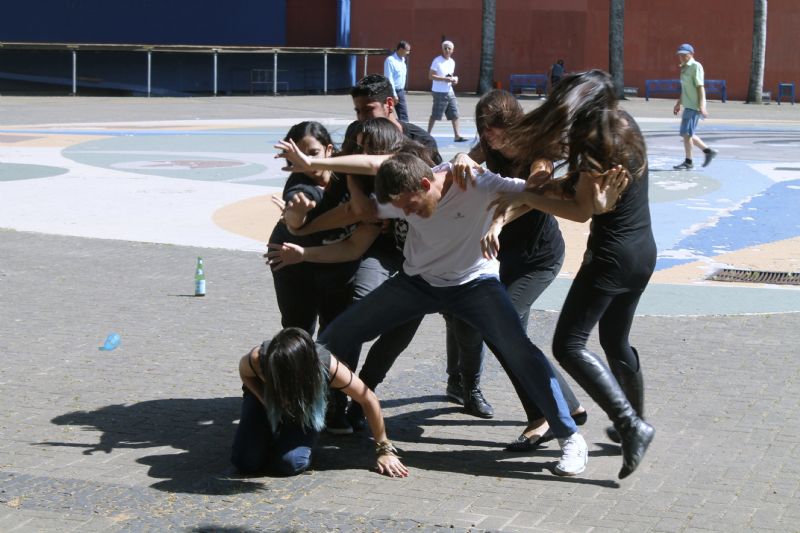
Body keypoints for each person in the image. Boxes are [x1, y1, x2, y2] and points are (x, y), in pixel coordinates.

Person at [274, 145, 627, 477]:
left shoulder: (476, 183)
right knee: (335, 336)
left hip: (475, 285)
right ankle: (295, 420)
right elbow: (366, 181)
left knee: (520, 351)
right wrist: (301, 220)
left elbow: (544, 191)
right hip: (417, 283)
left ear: (426, 184)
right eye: (401, 209)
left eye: (411, 206)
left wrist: (592, 193)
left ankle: (570, 438)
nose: (408, 213)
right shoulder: (401, 192)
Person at [489, 69, 656, 479]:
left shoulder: (594, 140)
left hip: (610, 257)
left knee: (568, 345)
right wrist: (536, 191)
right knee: (615, 340)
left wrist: (530, 197)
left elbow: (581, 211)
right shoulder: (622, 126)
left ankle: (632, 426)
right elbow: (582, 189)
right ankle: (634, 420)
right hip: (642, 251)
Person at [449, 89, 588, 447]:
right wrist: (462, 156)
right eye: (482, 128)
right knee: (510, 339)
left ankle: (548, 414)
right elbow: (464, 160)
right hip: (502, 256)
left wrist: (498, 220)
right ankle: (563, 408)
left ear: (513, 124)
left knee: (503, 329)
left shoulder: (537, 152)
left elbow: (533, 195)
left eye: (493, 128)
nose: (488, 135)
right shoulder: (489, 146)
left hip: (539, 258)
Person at [231, 327, 408, 478]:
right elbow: (245, 374)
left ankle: (288, 438)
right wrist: (265, 400)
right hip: (267, 400)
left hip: (306, 405)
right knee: (244, 462)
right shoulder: (257, 358)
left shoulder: (328, 367)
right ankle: (268, 436)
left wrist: (384, 450)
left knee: (289, 464)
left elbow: (369, 399)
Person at [268, 121, 358, 338]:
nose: (306, 161)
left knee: (336, 330)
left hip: (337, 263)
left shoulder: (349, 173)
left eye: (313, 153)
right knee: (297, 331)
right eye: (298, 156)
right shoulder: (299, 185)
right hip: (292, 262)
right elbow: (295, 220)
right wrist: (296, 212)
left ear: (329, 150)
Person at [672, 43, 718, 170]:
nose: (681, 57)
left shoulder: (695, 66)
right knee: (688, 133)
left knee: (686, 134)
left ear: (691, 54)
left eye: (684, 55)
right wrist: (678, 103)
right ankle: (708, 151)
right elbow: (685, 89)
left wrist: (702, 106)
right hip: (688, 105)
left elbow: (700, 87)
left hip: (694, 106)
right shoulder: (684, 68)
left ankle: (689, 161)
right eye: (680, 55)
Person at [427, 40, 468, 142]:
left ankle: (457, 136)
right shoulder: (437, 61)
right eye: (445, 48)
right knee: (435, 115)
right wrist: (444, 79)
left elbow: (449, 76)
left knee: (455, 113)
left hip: (449, 91)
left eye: (449, 48)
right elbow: (431, 76)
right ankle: (427, 135)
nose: (447, 50)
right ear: (442, 49)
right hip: (439, 92)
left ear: (452, 50)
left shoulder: (452, 62)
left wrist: (453, 81)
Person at [384, 41, 411, 122]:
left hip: (400, 91)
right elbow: (389, 78)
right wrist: (394, 94)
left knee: (403, 116)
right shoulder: (390, 60)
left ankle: (404, 130)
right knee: (388, 114)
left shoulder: (403, 60)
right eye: (407, 50)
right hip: (390, 92)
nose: (408, 53)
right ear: (401, 49)